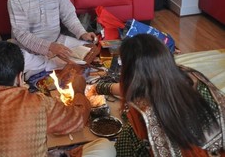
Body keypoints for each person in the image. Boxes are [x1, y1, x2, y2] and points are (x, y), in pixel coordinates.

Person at [0, 41, 116, 157]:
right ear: (20, 78)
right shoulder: (37, 103)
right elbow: (77, 119)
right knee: (106, 147)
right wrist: (78, 90)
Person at [92, 34, 225, 156]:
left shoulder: (140, 118)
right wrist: (100, 87)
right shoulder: (190, 76)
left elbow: (122, 153)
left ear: (131, 74)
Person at [7, 0, 97, 80]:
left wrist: (82, 33)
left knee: (88, 51)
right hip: (29, 51)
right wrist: (50, 47)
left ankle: (52, 67)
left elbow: (69, 15)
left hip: (58, 41)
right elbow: (22, 35)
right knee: (14, 65)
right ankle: (54, 66)